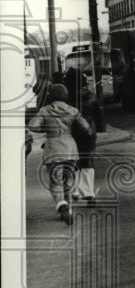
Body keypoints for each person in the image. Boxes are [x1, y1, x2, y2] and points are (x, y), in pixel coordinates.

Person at [27, 83, 93, 224]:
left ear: (50, 96)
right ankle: (67, 208)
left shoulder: (45, 110)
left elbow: (32, 125)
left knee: (55, 181)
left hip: (53, 149)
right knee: (68, 181)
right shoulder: (73, 110)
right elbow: (86, 127)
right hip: (70, 148)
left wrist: (46, 130)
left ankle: (62, 206)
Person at [64, 67, 99, 202]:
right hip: (88, 133)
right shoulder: (91, 96)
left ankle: (76, 190)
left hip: (70, 133)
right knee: (87, 161)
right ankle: (89, 192)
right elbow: (98, 116)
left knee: (73, 162)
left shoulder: (66, 99)